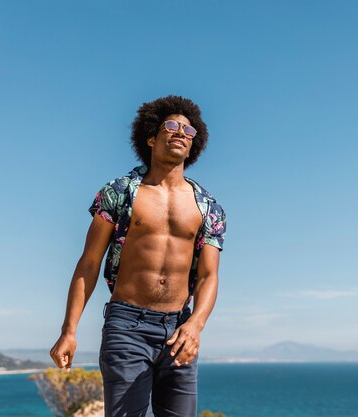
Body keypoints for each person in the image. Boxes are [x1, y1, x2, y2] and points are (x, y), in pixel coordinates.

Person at [49, 95, 226, 417]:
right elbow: (88, 263)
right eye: (171, 126)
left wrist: (195, 325)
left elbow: (209, 276)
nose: (180, 133)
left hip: (179, 329)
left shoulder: (208, 207)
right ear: (151, 137)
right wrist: (69, 331)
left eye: (188, 131)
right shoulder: (118, 193)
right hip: (127, 325)